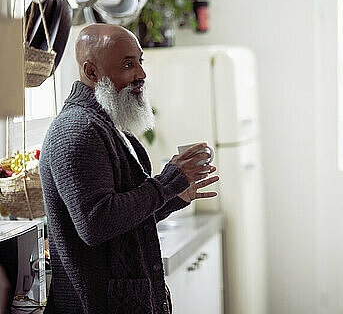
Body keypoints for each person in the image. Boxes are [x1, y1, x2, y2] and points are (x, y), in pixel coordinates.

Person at [39, 24, 219, 313]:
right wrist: (166, 184)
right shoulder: (77, 130)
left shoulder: (105, 123)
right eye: (127, 64)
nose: (141, 74)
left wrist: (176, 196)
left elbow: (123, 218)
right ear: (92, 72)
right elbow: (96, 223)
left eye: (139, 61)